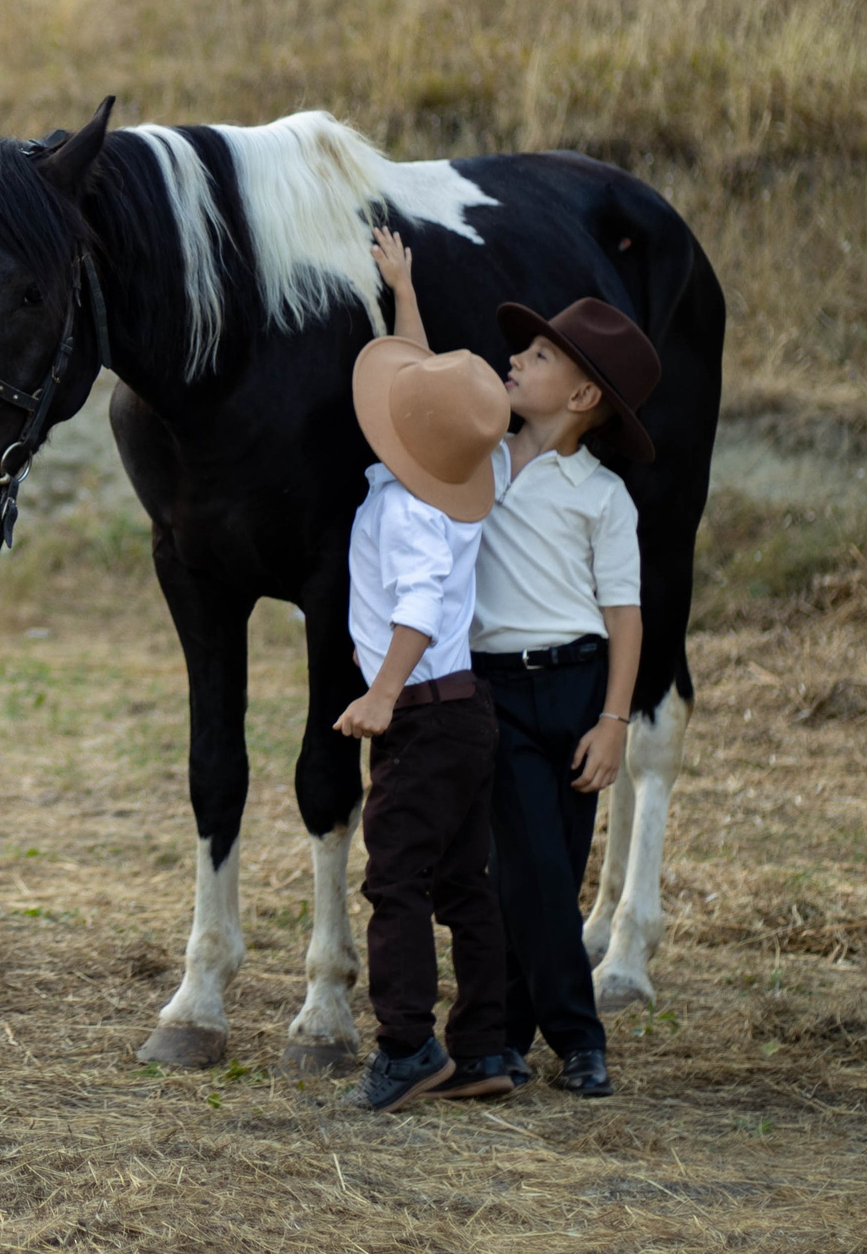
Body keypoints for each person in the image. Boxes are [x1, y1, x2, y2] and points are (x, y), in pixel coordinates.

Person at [382, 240, 660, 1100]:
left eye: (537, 356)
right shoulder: (483, 456)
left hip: (576, 689)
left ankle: (508, 1033)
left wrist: (614, 722)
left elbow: (625, 617)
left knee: (552, 869)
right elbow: (419, 387)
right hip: (496, 688)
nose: (514, 358)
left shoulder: (602, 496)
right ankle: (576, 1037)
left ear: (581, 398)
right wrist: (404, 290)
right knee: (525, 863)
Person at [332, 230, 512, 1111]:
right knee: (463, 881)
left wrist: (380, 694)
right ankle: (484, 1047)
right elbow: (440, 396)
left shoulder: (407, 509)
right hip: (469, 709)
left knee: (395, 879)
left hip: (423, 713)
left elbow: (415, 607)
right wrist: (404, 291)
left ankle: (406, 1046)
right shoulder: (462, 483)